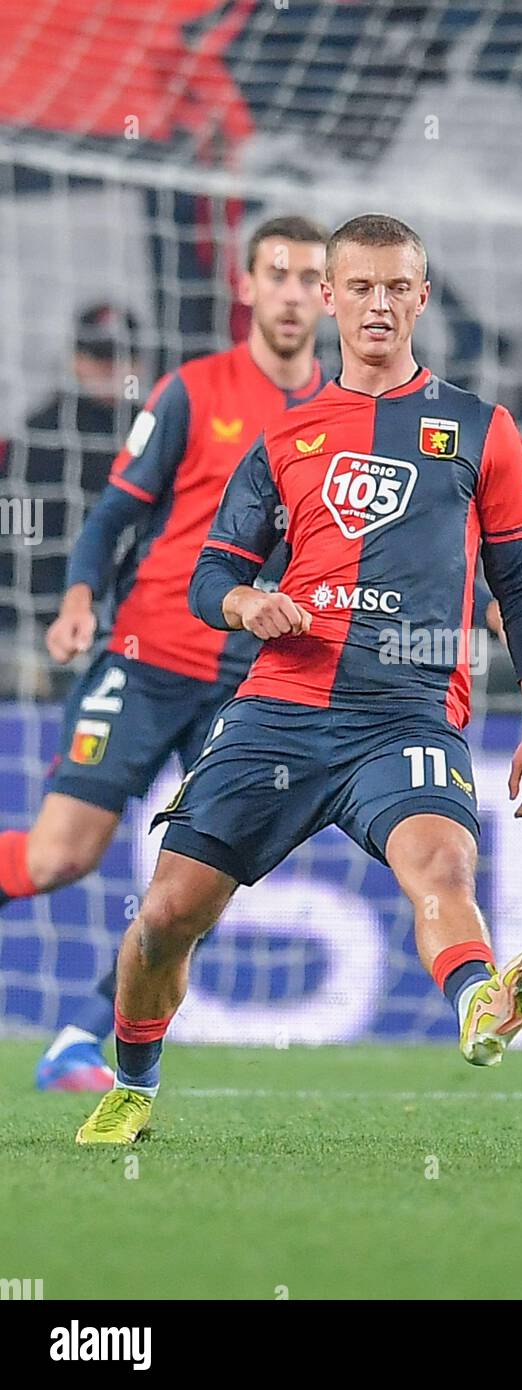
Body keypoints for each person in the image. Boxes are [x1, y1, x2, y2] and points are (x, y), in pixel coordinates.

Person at [75, 213, 522, 1145]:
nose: (379, 304)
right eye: (361, 287)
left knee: (443, 863)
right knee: (168, 916)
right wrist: (247, 606)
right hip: (280, 710)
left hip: (408, 710)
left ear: (422, 298)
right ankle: (133, 1079)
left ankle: (477, 1002)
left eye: (398, 288)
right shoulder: (283, 439)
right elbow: (213, 573)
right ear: (332, 297)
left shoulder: (480, 429)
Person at [0, 214, 328, 1092]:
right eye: (278, 274)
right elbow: (114, 515)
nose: (292, 293)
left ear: (326, 296)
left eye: (309, 278)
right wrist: (78, 599)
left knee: (192, 894)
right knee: (58, 856)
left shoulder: (345, 421)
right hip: (145, 658)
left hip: (248, 690)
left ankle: (77, 1040)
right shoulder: (192, 390)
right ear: (247, 287)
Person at [0, 304, 143, 694]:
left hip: (141, 615)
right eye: (98, 357)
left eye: (121, 357)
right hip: (54, 621)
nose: (110, 370)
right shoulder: (42, 434)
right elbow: (18, 543)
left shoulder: (156, 428)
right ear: (77, 360)